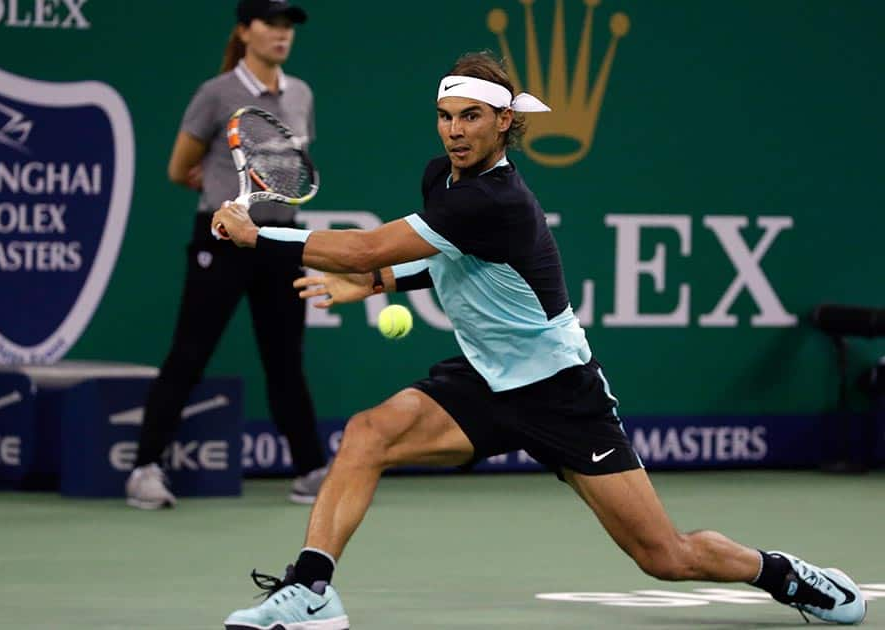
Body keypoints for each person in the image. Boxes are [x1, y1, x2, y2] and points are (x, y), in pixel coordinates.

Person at [213, 52, 867, 629]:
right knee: (366, 435)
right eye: (446, 116)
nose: (455, 130)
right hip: (481, 379)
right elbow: (445, 258)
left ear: (504, 124)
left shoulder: (499, 200)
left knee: (664, 555)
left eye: (471, 116)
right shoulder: (441, 178)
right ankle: (312, 587)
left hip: (559, 394)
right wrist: (380, 281)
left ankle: (781, 574)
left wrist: (262, 237)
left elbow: (366, 244)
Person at [125, 0, 328, 509]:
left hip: (281, 240)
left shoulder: (300, 93)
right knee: (189, 354)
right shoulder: (215, 94)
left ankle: (309, 472)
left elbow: (292, 170)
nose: (282, 34)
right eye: (271, 24)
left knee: (285, 360)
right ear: (244, 31)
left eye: (288, 27)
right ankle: (144, 469)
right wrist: (220, 190)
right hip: (222, 237)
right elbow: (179, 168)